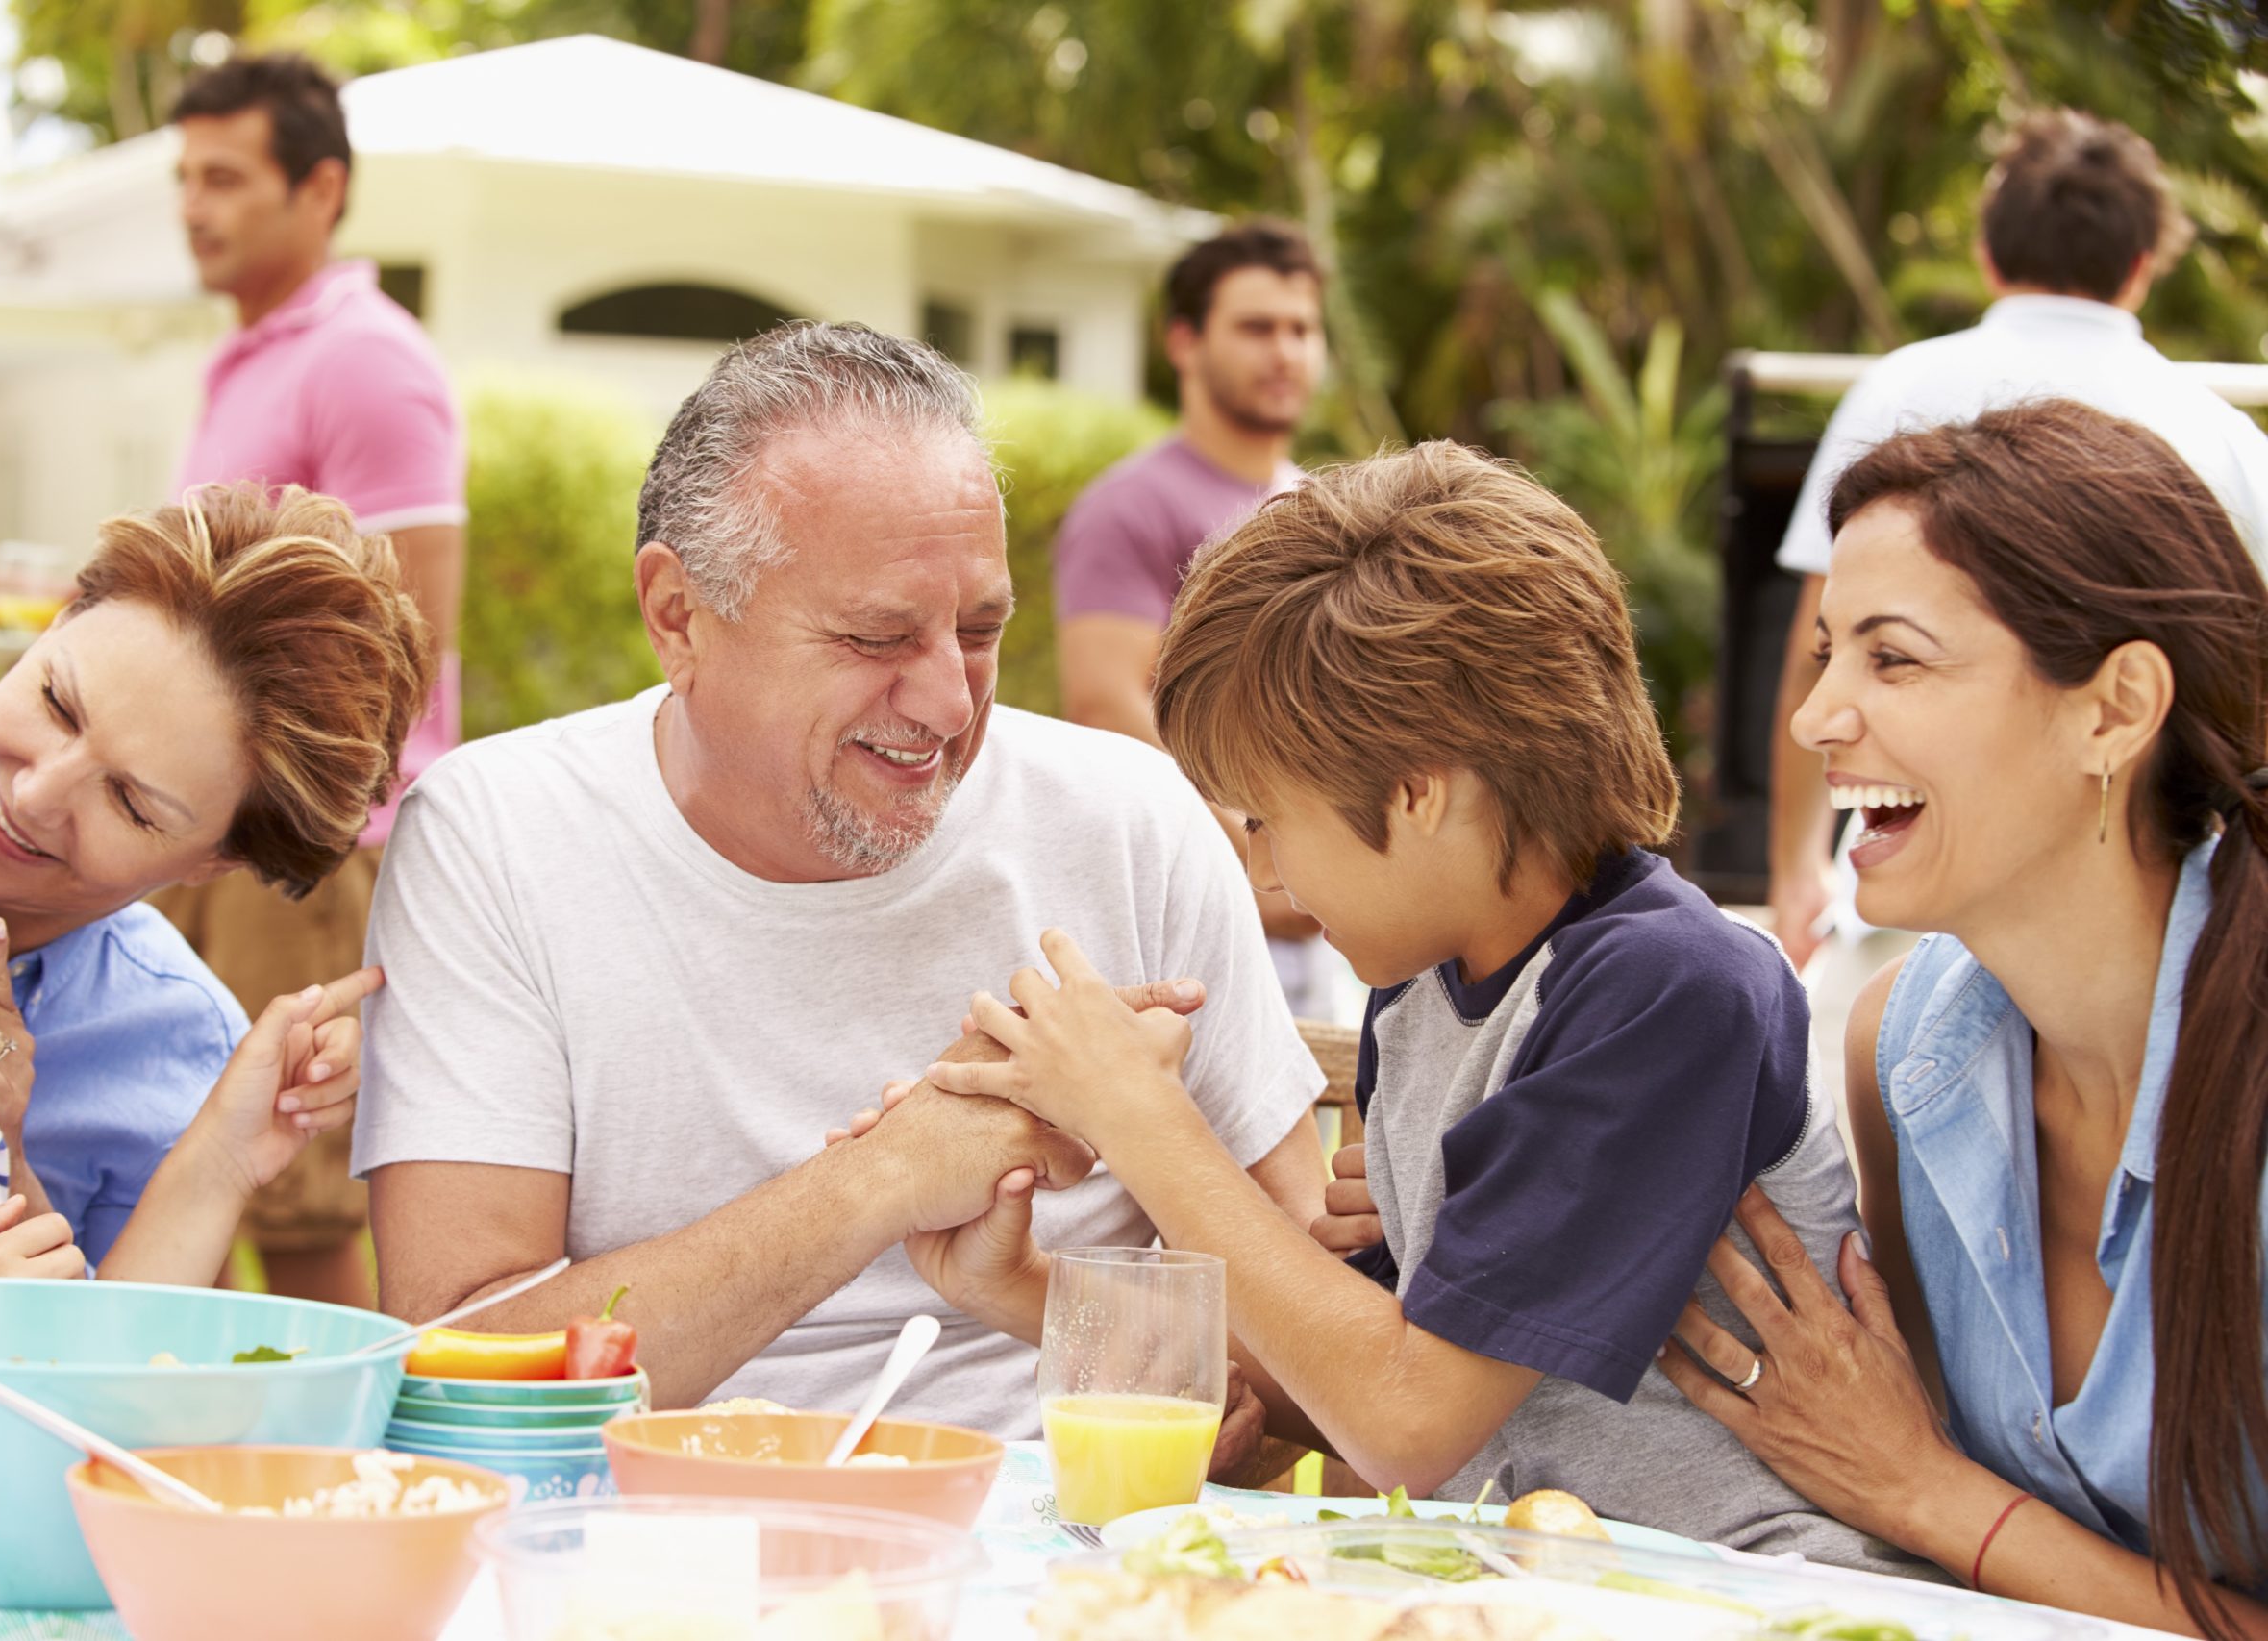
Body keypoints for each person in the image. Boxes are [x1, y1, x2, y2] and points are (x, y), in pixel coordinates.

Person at [884, 441, 1918, 1570]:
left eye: (1269, 820)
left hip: (1751, 1583)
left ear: (1417, 792)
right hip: (1522, 1581)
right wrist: (1022, 1287)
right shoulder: (1423, 991)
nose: (1265, 870)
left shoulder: (1670, 990)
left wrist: (1144, 1119)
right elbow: (1346, 1386)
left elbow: (1406, 1422)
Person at [358, 321, 1326, 1437]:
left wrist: (1146, 1222)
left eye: (980, 629)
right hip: (648, 1542)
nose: (950, 704)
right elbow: (462, 1377)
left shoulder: (1129, 820)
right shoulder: (497, 836)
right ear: (679, 616)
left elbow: (1319, 1358)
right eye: (876, 639)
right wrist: (882, 1179)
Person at [1660, 401, 2268, 1636]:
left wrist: (1929, 1495)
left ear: (2112, 710)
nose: (1815, 717)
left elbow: (1915, 1486)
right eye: (1826, 651)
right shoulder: (1900, 1054)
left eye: (1892, 658)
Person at [0, 483, 433, 1267]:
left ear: (215, 861)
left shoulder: (174, 1046)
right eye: (57, 703)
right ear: (60, 620)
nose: (34, 795)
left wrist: (6, 1161)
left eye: (130, 802)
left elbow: (106, 1372)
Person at [1766, 109, 2268, 971]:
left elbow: (1818, 645)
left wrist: (1795, 869)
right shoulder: (2229, 441)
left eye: (1892, 655)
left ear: (1989, 256)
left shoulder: (1896, 392)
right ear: (2141, 270)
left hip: (1901, 911)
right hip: (2164, 920)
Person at [151, 50, 467, 1306]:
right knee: (194, 1163)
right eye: (185, 175)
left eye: (225, 176)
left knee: (295, 1199)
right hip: (208, 831)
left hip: (303, 838)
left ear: (320, 187)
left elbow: (414, 630)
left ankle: (330, 1480)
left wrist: (289, 822)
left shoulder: (366, 359)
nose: (194, 203)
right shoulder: (251, 355)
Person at [1052, 220, 1332, 1010]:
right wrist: (1255, 854)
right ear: (1183, 342)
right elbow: (1106, 704)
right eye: (1255, 327)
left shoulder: (1320, 506)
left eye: (1302, 329)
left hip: (1327, 911)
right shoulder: (1130, 507)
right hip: (1196, 915)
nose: (1285, 351)